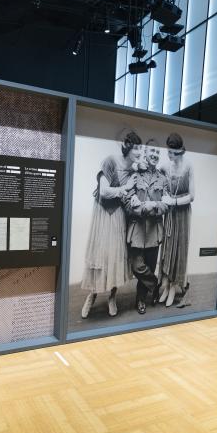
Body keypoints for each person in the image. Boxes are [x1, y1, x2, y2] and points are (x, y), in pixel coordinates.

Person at [80, 131, 140, 318]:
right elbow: (104, 192)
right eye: (136, 148)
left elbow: (131, 196)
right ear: (128, 147)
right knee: (101, 254)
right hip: (104, 213)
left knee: (115, 255)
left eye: (140, 148)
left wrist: (134, 197)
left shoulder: (134, 172)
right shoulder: (111, 161)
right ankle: (92, 295)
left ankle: (112, 297)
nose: (139, 152)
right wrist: (126, 188)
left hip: (119, 215)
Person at [122, 140, 170, 314]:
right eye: (152, 151)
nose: (154, 155)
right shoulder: (135, 176)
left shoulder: (163, 179)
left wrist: (154, 206)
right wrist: (143, 207)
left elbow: (167, 205)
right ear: (145, 153)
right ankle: (155, 284)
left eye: (157, 152)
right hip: (137, 230)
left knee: (150, 264)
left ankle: (141, 299)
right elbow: (127, 202)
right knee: (137, 266)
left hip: (154, 231)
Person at [159, 132, 195, 307]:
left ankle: (174, 286)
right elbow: (159, 183)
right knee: (167, 247)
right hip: (170, 213)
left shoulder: (188, 167)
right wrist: (165, 195)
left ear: (180, 151)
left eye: (172, 152)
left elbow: (192, 196)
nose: (169, 155)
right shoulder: (165, 166)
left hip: (182, 213)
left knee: (179, 248)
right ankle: (165, 285)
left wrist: (174, 201)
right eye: (168, 151)